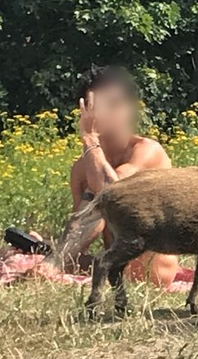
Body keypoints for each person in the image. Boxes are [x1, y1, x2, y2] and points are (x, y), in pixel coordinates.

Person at [52, 65, 180, 286]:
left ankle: (53, 262)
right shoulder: (82, 167)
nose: (110, 113)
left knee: (99, 198)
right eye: (99, 106)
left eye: (116, 105)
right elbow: (81, 226)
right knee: (26, 253)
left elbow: (113, 190)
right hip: (114, 266)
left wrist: (90, 137)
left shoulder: (147, 151)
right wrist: (54, 250)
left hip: (151, 273)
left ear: (130, 109)